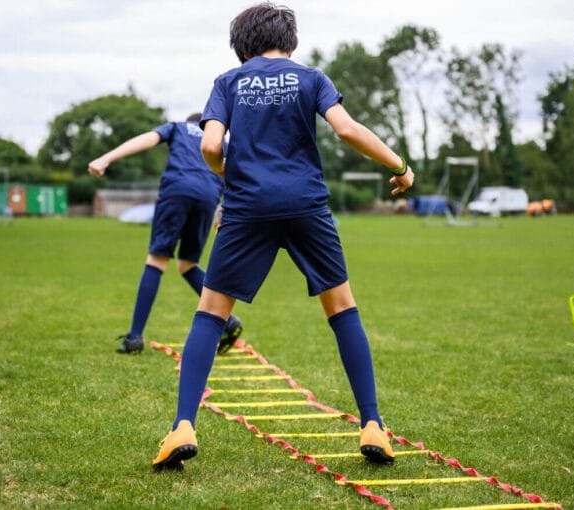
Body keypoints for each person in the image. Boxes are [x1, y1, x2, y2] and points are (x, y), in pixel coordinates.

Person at [152, 3, 414, 470]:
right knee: (342, 306)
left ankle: (183, 426)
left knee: (211, 312)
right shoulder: (311, 77)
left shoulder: (227, 83)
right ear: (289, 41)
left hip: (247, 205)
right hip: (305, 203)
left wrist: (225, 171)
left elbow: (211, 144)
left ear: (242, 46)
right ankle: (372, 424)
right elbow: (348, 129)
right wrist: (400, 167)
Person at [88, 113, 243, 355]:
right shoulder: (221, 142)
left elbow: (147, 139)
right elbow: (237, 176)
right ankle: (229, 320)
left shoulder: (178, 128)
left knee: (157, 259)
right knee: (187, 264)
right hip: (208, 196)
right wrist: (225, 209)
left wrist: (106, 158)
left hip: (178, 190)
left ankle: (135, 337)